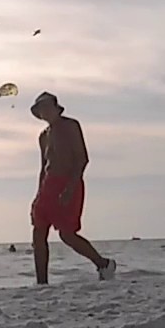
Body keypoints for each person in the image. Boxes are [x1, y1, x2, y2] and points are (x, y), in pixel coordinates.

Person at [29, 91, 117, 284]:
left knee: (67, 234)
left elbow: (82, 158)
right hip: (47, 187)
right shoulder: (43, 136)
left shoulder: (70, 126)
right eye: (40, 109)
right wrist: (37, 196)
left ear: (55, 108)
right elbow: (43, 168)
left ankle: (103, 263)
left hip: (68, 182)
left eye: (46, 107)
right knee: (38, 233)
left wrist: (70, 187)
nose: (44, 112)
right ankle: (41, 283)